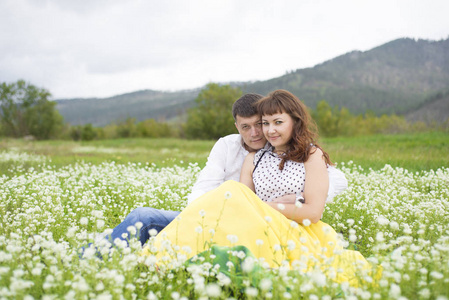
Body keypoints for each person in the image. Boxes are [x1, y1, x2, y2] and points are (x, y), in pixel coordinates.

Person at [148, 90, 375, 285]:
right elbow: (243, 204)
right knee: (229, 199)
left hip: (294, 229)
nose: (269, 130)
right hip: (259, 224)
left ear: (295, 121)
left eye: (277, 122)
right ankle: (167, 259)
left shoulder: (311, 155)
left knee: (232, 198)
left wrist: (266, 207)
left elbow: (313, 212)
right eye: (265, 123)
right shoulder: (254, 158)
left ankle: (173, 260)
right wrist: (267, 206)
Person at [105, 93, 347, 247]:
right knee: (142, 217)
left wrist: (301, 199)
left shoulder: (303, 152)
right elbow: (207, 186)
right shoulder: (236, 150)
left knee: (146, 221)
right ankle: (98, 255)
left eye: (260, 124)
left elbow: (333, 181)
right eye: (247, 127)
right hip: (215, 217)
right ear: (236, 126)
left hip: (257, 225)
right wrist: (195, 219)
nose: (258, 132)